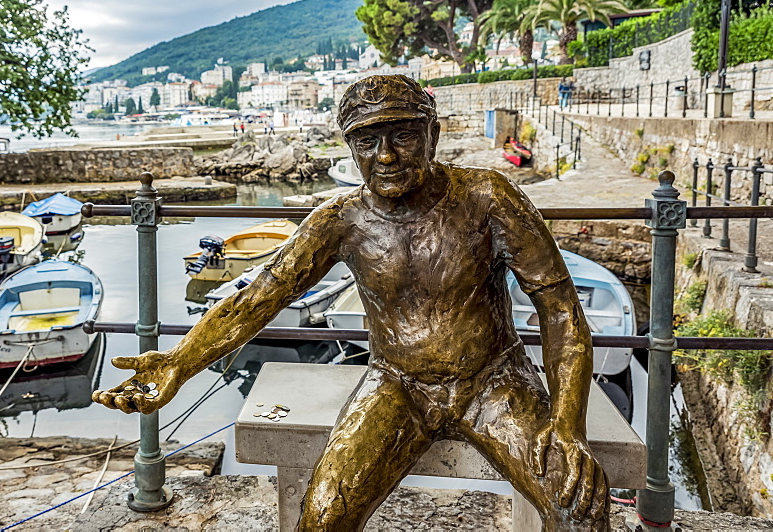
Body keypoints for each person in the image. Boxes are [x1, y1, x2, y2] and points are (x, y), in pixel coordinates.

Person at [93, 74, 608, 531]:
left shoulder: (488, 197)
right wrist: (181, 363)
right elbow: (255, 300)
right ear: (350, 147)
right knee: (323, 517)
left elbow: (561, 309)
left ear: (433, 135)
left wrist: (567, 424)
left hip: (494, 379)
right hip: (398, 383)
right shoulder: (340, 220)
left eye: (402, 136)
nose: (385, 156)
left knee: (578, 504)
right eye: (366, 141)